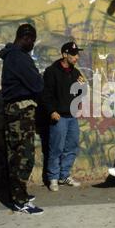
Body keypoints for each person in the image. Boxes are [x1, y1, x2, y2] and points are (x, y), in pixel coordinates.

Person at [1, 24, 44, 215]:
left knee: (17, 155)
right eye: (32, 41)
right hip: (20, 113)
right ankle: (20, 201)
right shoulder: (19, 57)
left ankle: (19, 193)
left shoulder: (13, 56)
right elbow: (37, 84)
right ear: (26, 38)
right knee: (23, 156)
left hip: (17, 112)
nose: (32, 44)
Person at [41, 42, 85, 191]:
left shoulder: (76, 72)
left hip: (72, 116)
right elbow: (45, 94)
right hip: (58, 116)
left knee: (72, 146)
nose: (77, 57)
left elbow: (78, 95)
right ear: (64, 55)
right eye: (74, 54)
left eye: (77, 54)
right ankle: (53, 177)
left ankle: (64, 176)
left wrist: (81, 87)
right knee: (56, 148)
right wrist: (51, 111)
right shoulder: (51, 71)